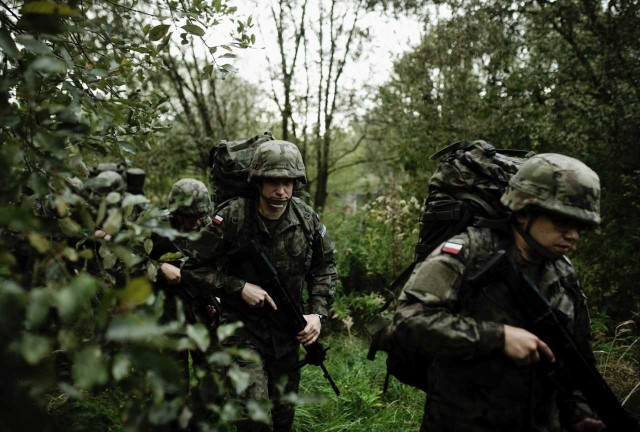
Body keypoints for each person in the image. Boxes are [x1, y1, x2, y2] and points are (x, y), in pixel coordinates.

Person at [392, 153, 606, 432]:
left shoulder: (562, 273)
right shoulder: (468, 254)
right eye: (562, 222)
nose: (573, 235)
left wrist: (579, 413)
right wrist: (498, 337)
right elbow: (407, 322)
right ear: (523, 211)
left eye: (580, 226)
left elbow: (576, 357)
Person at [182, 140, 337, 432]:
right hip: (242, 332)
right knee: (254, 420)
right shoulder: (232, 217)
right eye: (273, 182)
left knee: (282, 420)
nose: (281, 191)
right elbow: (192, 268)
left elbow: (325, 268)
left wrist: (317, 314)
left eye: (288, 182)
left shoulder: (306, 219)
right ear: (258, 181)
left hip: (287, 334)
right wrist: (238, 286)